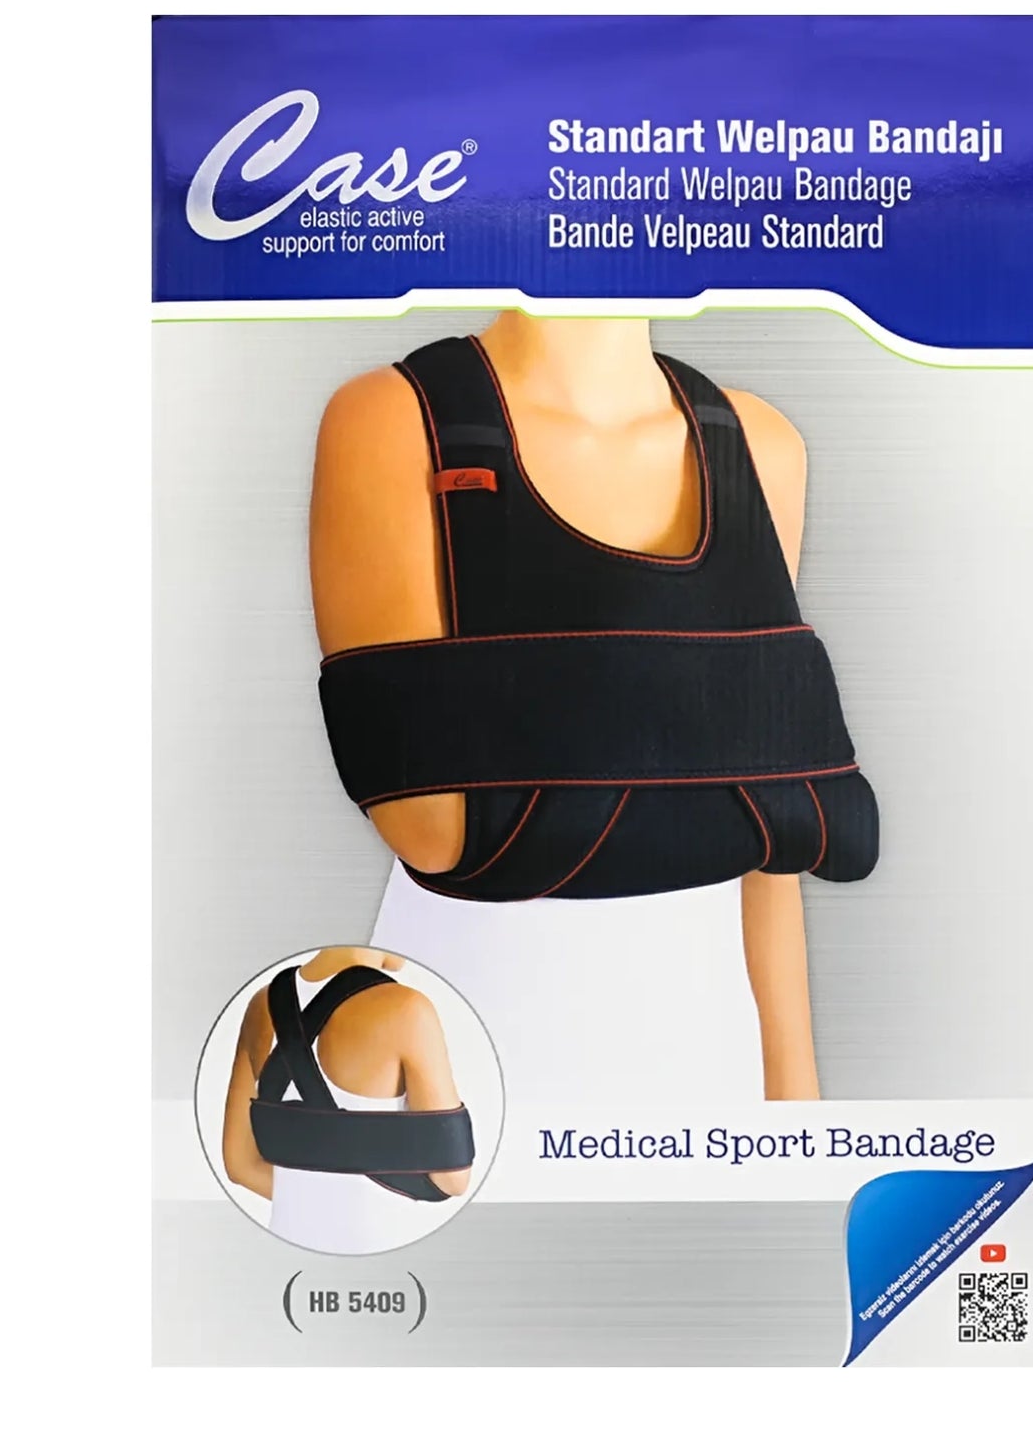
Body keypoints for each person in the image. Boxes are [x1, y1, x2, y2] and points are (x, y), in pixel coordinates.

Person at [310, 312, 820, 1101]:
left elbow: (769, 817)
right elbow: (439, 823)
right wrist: (693, 742)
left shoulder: (759, 445)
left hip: (710, 1033)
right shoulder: (396, 418)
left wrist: (796, 1107)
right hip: (472, 1020)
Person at [220, 948, 469, 1253]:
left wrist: (317, 1200)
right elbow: (453, 1177)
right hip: (387, 1249)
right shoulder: (407, 1009)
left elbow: (240, 1164)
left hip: (289, 1243)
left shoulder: (262, 1004)